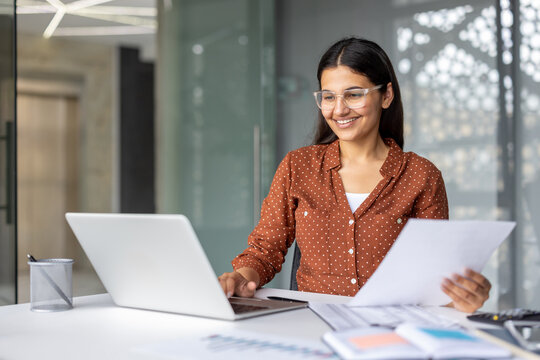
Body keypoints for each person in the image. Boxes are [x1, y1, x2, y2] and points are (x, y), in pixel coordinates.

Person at [218, 37, 491, 313]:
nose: (339, 110)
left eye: (353, 94)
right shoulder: (297, 167)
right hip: (312, 325)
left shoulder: (421, 175)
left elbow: (435, 274)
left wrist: (463, 296)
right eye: (328, 97)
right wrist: (240, 279)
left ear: (386, 95)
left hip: (391, 328)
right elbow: (265, 251)